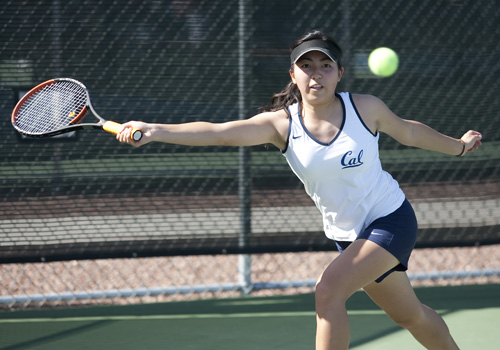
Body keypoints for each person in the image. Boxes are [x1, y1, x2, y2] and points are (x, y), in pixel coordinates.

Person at [117, 30, 482, 350]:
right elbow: (221, 131)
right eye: (306, 66)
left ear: (339, 73)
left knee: (328, 290)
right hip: (348, 235)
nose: (316, 74)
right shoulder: (281, 125)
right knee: (411, 315)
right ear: (293, 74)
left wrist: (460, 146)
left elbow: (411, 132)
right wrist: (155, 130)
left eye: (325, 65)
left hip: (391, 220)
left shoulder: (366, 108)